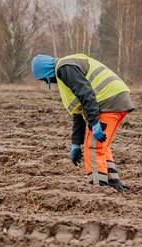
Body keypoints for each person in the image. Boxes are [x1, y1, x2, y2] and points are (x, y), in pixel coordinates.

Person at [31, 53, 135, 193]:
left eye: (45, 80)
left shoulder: (64, 68)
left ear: (47, 73)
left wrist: (94, 122)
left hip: (109, 102)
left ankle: (99, 189)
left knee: (93, 149)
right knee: (100, 145)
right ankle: (114, 184)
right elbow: (78, 111)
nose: (48, 82)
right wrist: (76, 143)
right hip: (116, 100)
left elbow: (86, 94)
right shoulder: (66, 69)